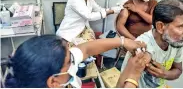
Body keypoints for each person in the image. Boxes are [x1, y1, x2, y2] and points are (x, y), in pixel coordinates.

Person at [5, 35, 147, 88]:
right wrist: (133, 78)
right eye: (69, 60)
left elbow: (85, 49)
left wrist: (122, 41)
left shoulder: (51, 72)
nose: (74, 58)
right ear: (53, 82)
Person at [118, 0, 183, 88]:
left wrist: (165, 74)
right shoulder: (143, 46)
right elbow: (124, 84)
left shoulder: (176, 42)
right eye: (182, 26)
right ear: (160, 27)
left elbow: (178, 70)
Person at [56, 0, 121, 46]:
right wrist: (110, 12)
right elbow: (89, 16)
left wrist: (113, 9)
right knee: (78, 52)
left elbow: (98, 9)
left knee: (91, 47)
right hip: (70, 30)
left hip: (83, 28)